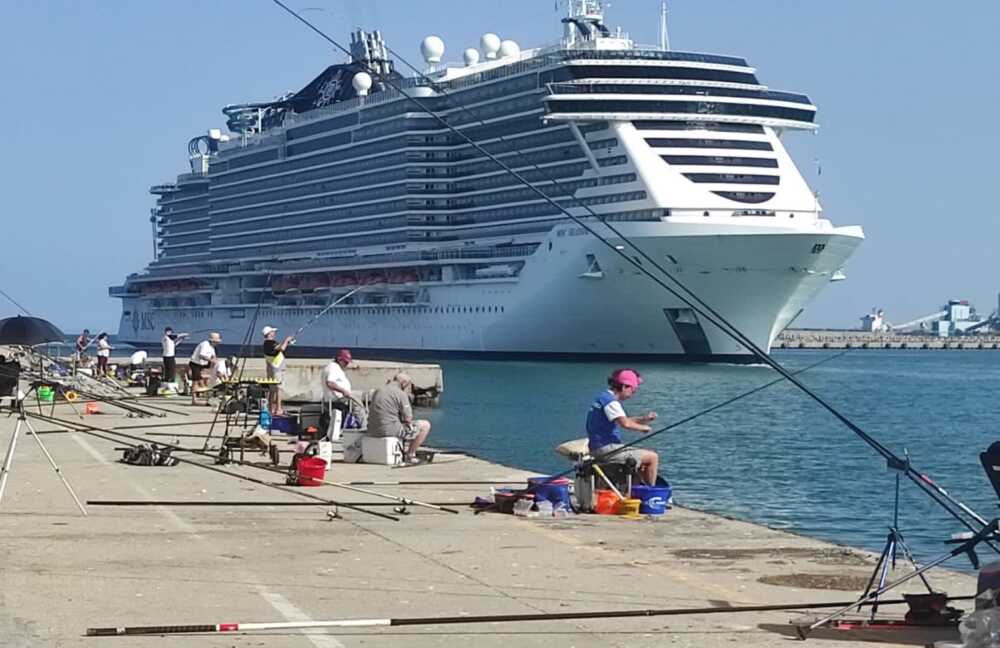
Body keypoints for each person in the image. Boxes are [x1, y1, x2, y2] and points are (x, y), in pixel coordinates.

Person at [585, 368, 660, 486]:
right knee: (653, 457)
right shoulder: (611, 402)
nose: (632, 394)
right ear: (625, 386)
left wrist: (644, 419)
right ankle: (651, 493)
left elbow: (622, 420)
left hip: (598, 448)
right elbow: (625, 424)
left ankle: (634, 490)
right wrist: (644, 428)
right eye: (633, 390)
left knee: (644, 456)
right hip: (607, 450)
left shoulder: (603, 398)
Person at [367, 372, 431, 464]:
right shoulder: (401, 394)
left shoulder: (378, 390)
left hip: (372, 430)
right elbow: (408, 418)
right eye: (408, 385)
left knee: (398, 424)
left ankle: (402, 451)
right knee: (425, 425)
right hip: (389, 430)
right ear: (404, 383)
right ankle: (410, 455)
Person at [261, 326, 294, 415]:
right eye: (273, 331)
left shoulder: (266, 344)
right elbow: (282, 348)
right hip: (277, 368)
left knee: (272, 390)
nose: (274, 333)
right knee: (279, 388)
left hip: (271, 368)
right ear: (269, 333)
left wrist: (286, 342)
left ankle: (271, 409)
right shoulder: (271, 343)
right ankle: (278, 409)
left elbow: (279, 348)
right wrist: (287, 340)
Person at [322, 348, 353, 437]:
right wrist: (343, 390)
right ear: (339, 359)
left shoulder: (335, 368)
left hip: (338, 400)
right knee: (360, 411)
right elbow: (330, 383)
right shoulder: (333, 368)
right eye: (346, 362)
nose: (347, 364)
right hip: (337, 401)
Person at [189, 332, 221, 405]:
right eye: (216, 342)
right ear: (212, 341)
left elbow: (214, 356)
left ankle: (204, 392)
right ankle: (194, 400)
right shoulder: (205, 344)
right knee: (195, 381)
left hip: (203, 364)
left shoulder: (212, 347)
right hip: (195, 363)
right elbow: (201, 355)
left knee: (204, 378)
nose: (217, 344)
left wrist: (216, 362)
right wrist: (211, 360)